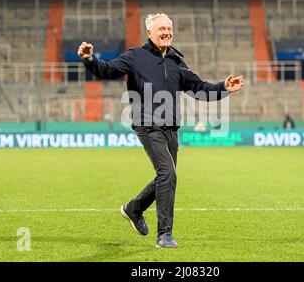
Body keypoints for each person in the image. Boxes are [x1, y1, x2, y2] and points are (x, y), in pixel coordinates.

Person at [77, 13, 244, 249]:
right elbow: (107, 70)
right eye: (161, 29)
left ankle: (133, 209)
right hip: (147, 124)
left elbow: (198, 88)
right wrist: (90, 59)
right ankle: (164, 234)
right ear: (149, 33)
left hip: (171, 128)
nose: (166, 32)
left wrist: (223, 88)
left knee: (167, 177)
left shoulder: (177, 60)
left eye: (169, 28)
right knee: (167, 174)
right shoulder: (135, 56)